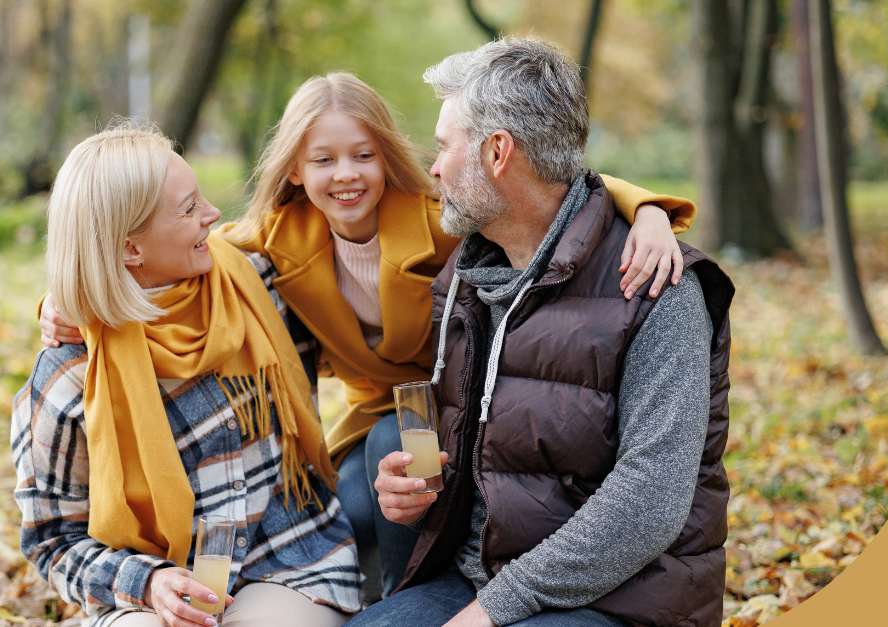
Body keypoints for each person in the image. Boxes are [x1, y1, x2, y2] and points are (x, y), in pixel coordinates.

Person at [38, 73, 698, 602]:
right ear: (295, 170)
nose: (345, 174)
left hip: (455, 404)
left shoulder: (439, 220)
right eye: (322, 159)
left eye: (362, 155)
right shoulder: (274, 242)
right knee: (347, 509)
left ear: (386, 155)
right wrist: (65, 302)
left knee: (385, 471)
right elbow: (139, 258)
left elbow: (540, 194)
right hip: (373, 417)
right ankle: (381, 596)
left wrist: (646, 210)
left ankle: (408, 588)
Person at [352, 37, 734, 627]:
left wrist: (493, 610)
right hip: (481, 578)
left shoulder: (657, 288)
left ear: (498, 153)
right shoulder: (472, 271)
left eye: (444, 147)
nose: (432, 168)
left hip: (617, 601)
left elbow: (649, 503)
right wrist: (407, 497)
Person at [11, 124, 360, 627]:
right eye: (189, 208)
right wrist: (148, 584)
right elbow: (51, 540)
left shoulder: (256, 287)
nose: (213, 215)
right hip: (152, 583)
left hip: (286, 562)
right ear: (131, 249)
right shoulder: (70, 372)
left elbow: (356, 238)